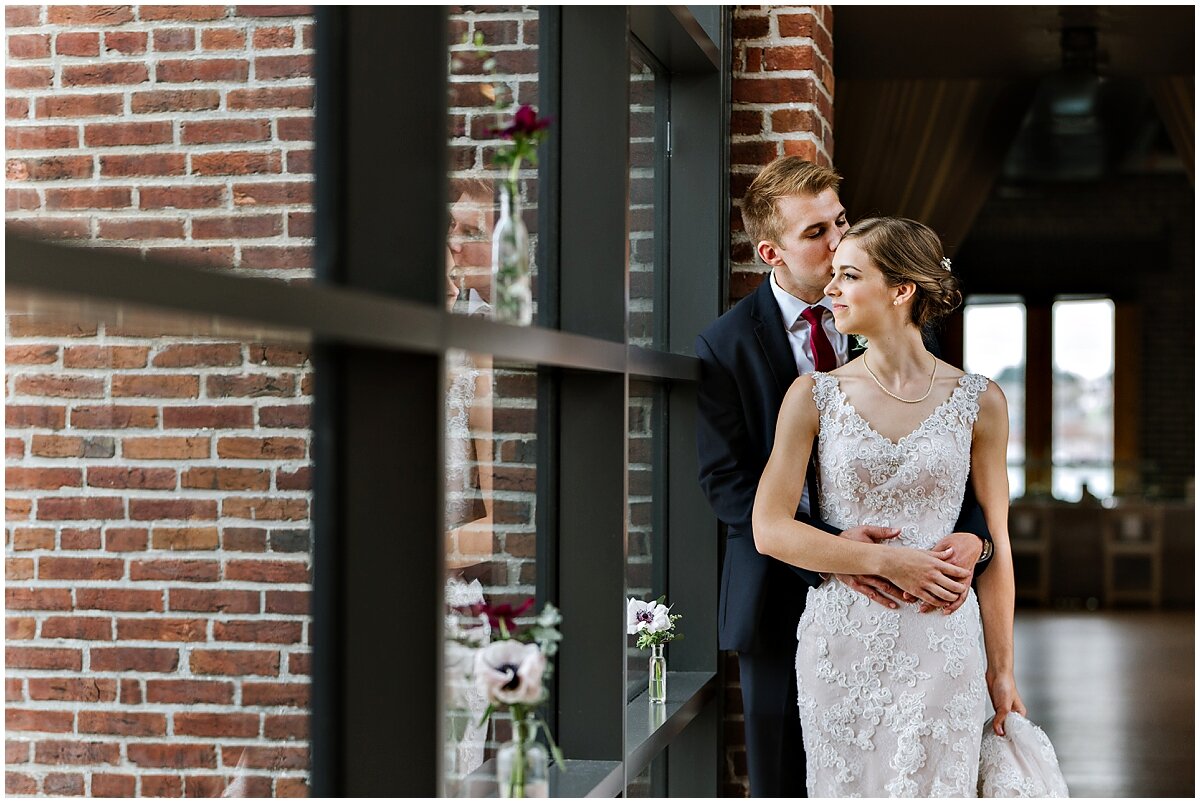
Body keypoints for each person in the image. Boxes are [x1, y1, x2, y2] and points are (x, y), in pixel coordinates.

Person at [695, 157, 994, 797]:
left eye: (840, 222)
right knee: (789, 781)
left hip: (924, 606)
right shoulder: (726, 346)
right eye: (815, 235)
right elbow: (726, 482)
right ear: (772, 252)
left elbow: (944, 455)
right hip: (780, 591)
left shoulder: (891, 308)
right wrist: (840, 553)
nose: (838, 244)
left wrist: (977, 539)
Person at [752, 217, 1036, 795]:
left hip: (944, 645)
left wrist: (1002, 671)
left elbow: (999, 547)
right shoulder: (812, 396)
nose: (831, 289)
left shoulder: (981, 402)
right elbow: (769, 527)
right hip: (842, 644)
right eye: (832, 275)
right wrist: (884, 562)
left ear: (901, 290)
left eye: (849, 275)